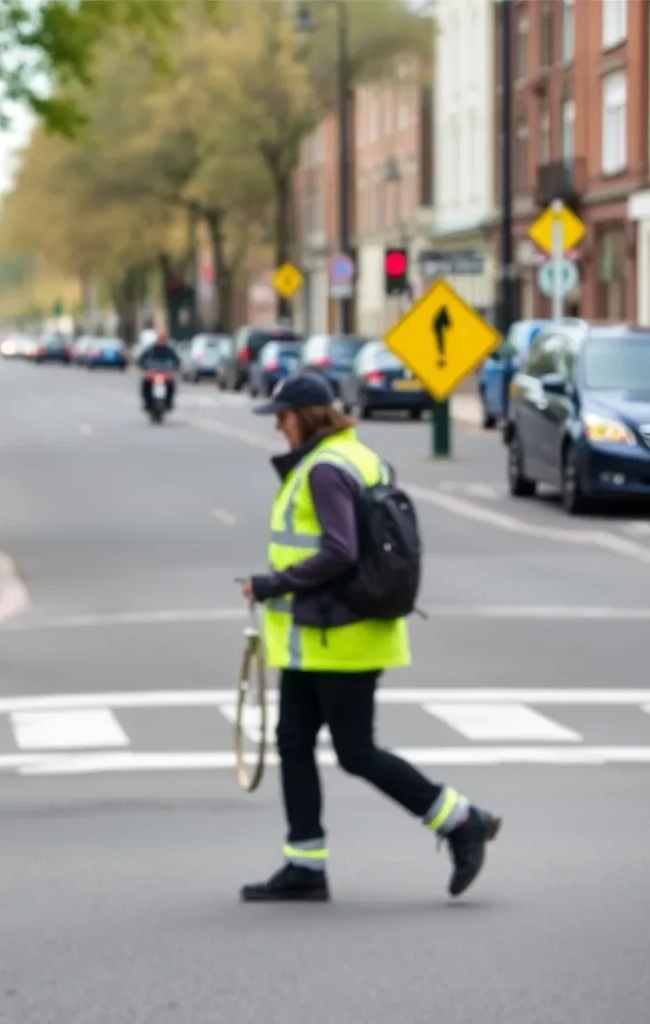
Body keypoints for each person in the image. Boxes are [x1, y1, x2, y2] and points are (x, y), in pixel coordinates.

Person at [237, 370, 501, 903]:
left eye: (283, 417)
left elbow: (340, 551)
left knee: (356, 753)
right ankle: (304, 864)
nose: (278, 428)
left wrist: (272, 585)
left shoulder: (325, 470)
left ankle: (461, 820)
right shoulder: (356, 456)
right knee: (293, 743)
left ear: (305, 418)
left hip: (342, 636)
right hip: (321, 636)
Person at [136, 329, 181, 411]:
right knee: (145, 385)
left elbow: (176, 361)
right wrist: (145, 368)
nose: (162, 340)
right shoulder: (150, 349)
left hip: (165, 374)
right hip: (152, 373)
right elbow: (142, 359)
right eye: (160, 338)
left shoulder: (169, 350)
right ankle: (147, 402)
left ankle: (168, 402)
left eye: (163, 338)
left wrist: (174, 369)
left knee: (171, 386)